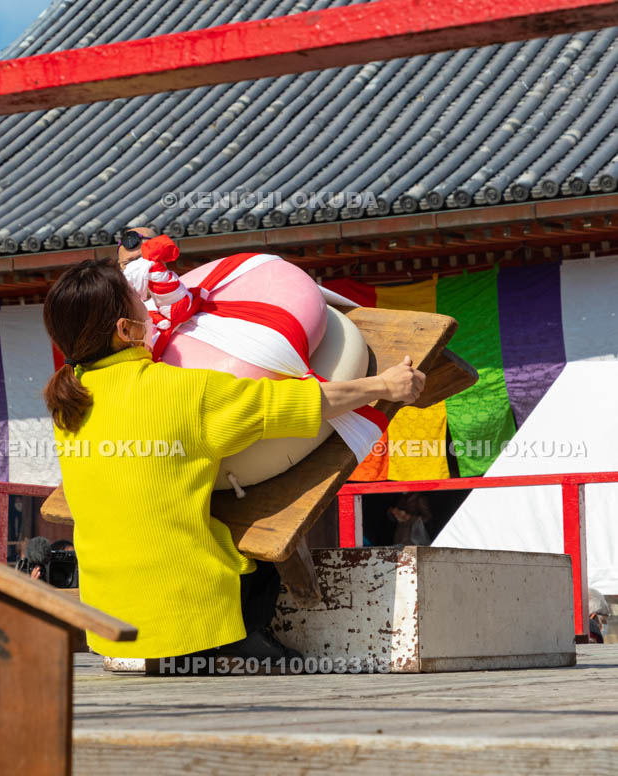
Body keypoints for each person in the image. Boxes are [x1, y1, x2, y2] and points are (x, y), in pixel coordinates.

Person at [42, 258, 425, 663]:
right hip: (192, 623)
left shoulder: (68, 405)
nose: (147, 305)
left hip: (109, 625)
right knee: (257, 546)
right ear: (125, 330)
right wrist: (387, 384)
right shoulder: (185, 390)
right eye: (139, 301)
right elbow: (302, 403)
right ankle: (241, 644)